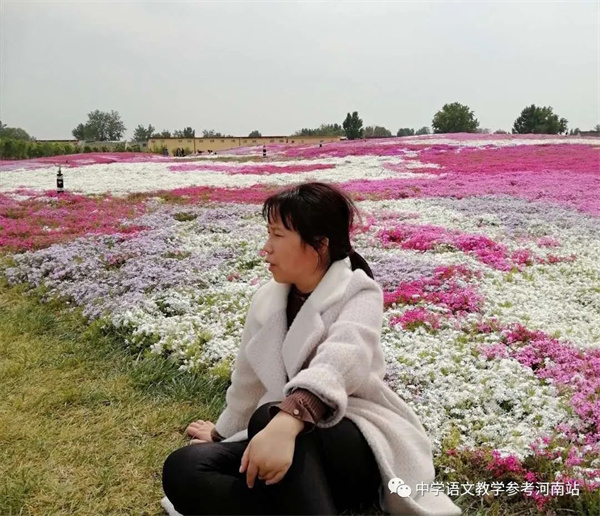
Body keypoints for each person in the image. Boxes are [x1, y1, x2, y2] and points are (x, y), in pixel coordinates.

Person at [161, 182, 462, 516]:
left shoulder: (359, 291)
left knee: (268, 415)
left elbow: (342, 357)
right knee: (185, 466)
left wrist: (290, 416)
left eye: (277, 236)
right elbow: (247, 381)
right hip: (283, 439)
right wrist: (222, 433)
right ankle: (300, 501)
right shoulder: (267, 300)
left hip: (350, 441)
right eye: (268, 234)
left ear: (319, 244)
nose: (266, 248)